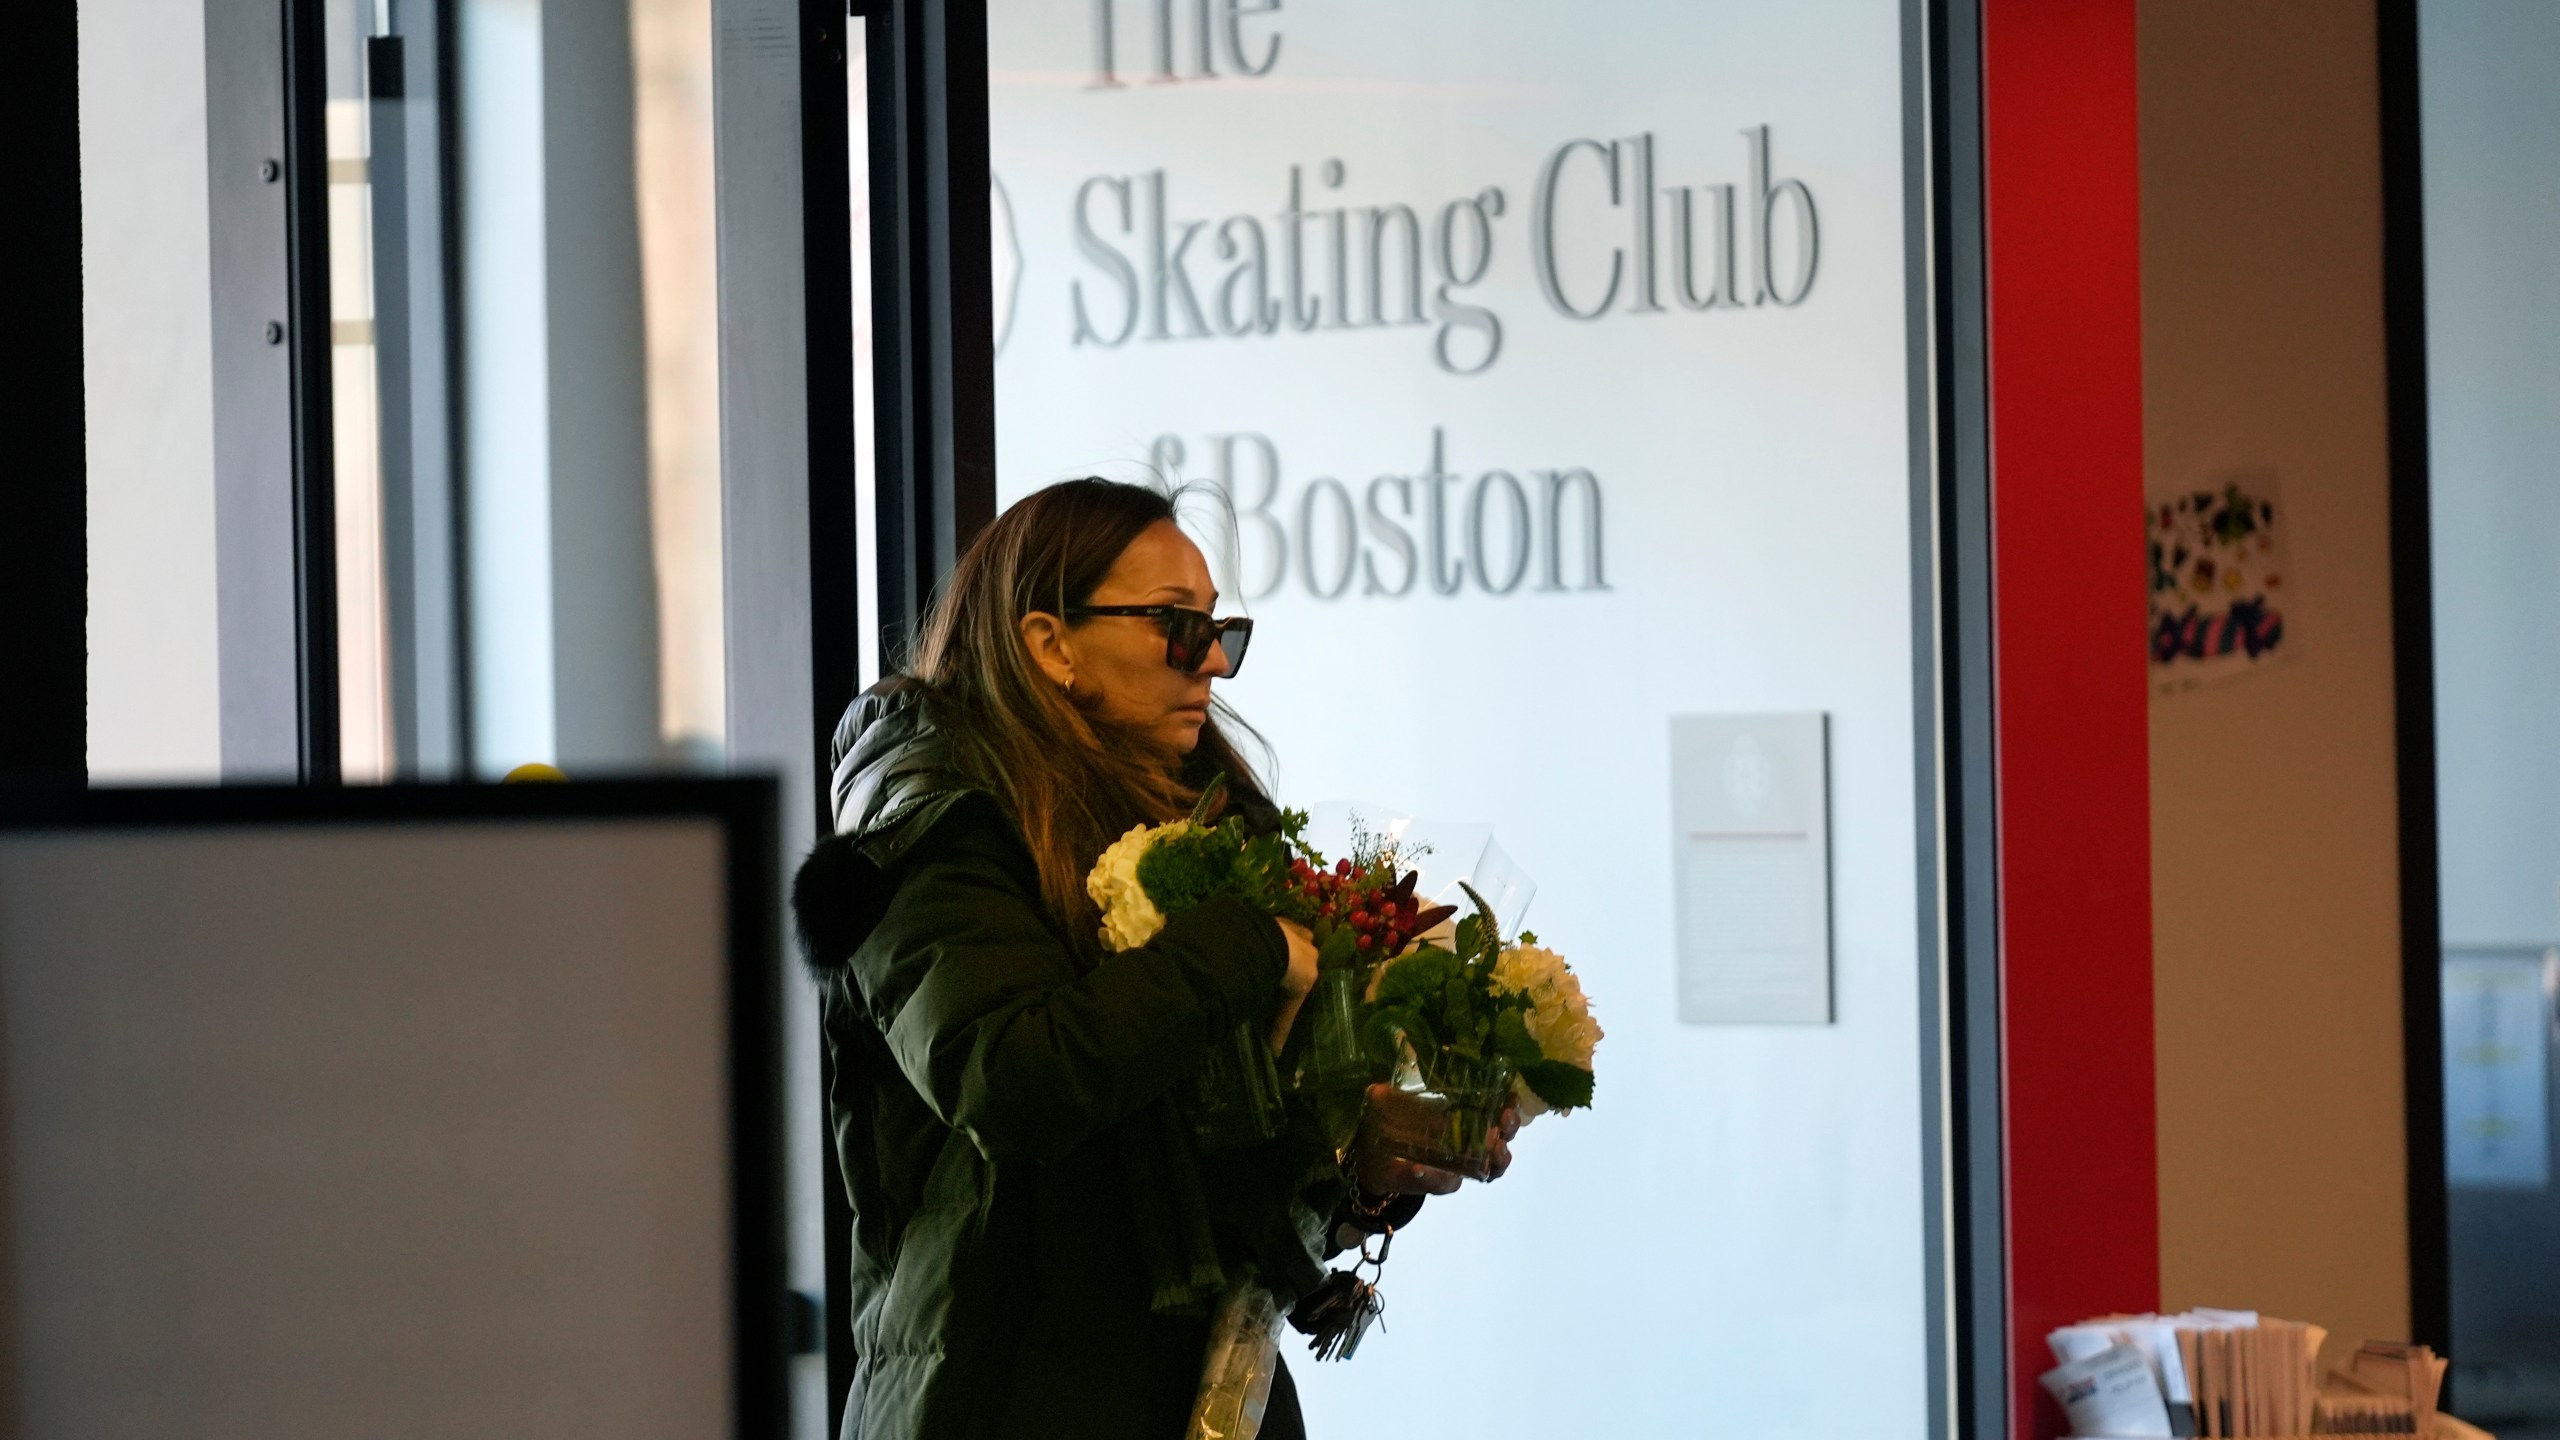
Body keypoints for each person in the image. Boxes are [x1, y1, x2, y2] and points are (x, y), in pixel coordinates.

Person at [791, 478, 1507, 1440]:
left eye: (1221, 630)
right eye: (1177, 627)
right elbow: (1013, 1081)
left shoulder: (1213, 820)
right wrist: (1250, 945)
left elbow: (1224, 1158)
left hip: (1205, 1392)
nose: (1213, 661)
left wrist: (1366, 1157)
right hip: (1002, 1396)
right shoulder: (934, 821)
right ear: (1050, 644)